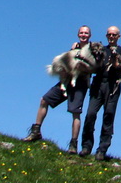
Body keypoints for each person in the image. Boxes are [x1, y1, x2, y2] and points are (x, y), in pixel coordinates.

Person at [22, 25, 95, 153]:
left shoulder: (92, 49)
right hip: (66, 81)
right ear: (78, 35)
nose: (83, 35)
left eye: (86, 33)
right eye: (81, 33)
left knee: (75, 112)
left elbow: (93, 67)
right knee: (44, 100)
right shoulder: (74, 47)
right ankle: (36, 131)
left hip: (80, 83)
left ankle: (73, 144)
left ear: (89, 36)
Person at [79, 25, 121, 160]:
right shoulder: (100, 49)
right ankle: (86, 147)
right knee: (90, 114)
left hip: (112, 86)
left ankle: (102, 149)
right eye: (109, 35)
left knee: (108, 116)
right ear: (106, 36)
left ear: (118, 37)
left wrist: (118, 66)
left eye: (114, 35)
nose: (111, 37)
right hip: (98, 84)